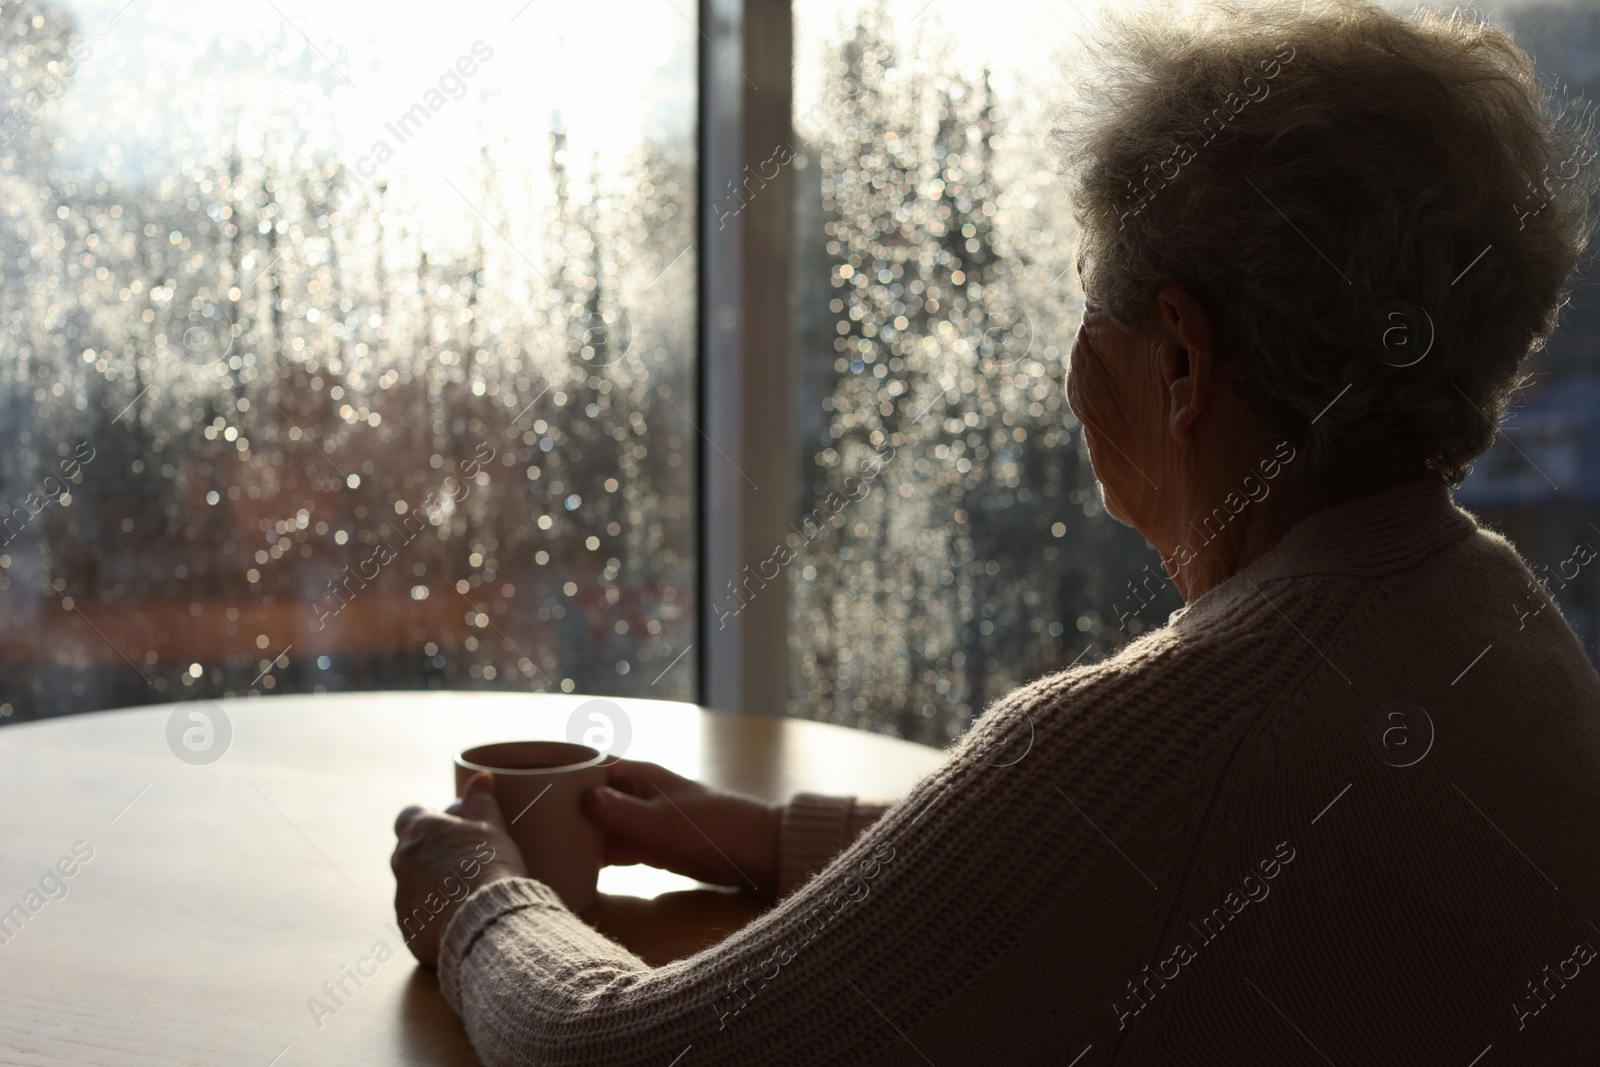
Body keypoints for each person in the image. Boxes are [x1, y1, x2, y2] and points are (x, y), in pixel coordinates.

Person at [392, 0, 1600, 1061]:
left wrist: (480, 903)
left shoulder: (1184, 726)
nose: (1071, 361)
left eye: (1090, 308)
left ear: (1180, 360)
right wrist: (776, 840)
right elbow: (1119, 875)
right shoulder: (1508, 625)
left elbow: (629, 1054)